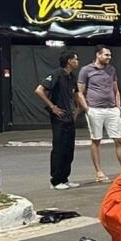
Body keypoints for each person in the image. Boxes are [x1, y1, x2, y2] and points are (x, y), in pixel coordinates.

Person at [34, 50, 82, 190]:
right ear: (69, 61)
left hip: (69, 117)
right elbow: (39, 90)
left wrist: (77, 108)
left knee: (69, 149)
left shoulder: (72, 76)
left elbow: (76, 93)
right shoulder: (56, 74)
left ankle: (65, 178)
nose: (77, 62)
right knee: (59, 148)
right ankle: (55, 181)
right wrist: (52, 107)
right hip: (59, 117)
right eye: (75, 59)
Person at [77, 45, 121, 183]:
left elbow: (116, 90)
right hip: (95, 109)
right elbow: (80, 92)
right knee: (96, 140)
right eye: (106, 55)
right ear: (98, 55)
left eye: (110, 55)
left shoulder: (111, 69)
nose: (109, 57)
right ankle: (99, 172)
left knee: (119, 139)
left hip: (112, 109)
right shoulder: (86, 70)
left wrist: (118, 107)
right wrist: (87, 109)